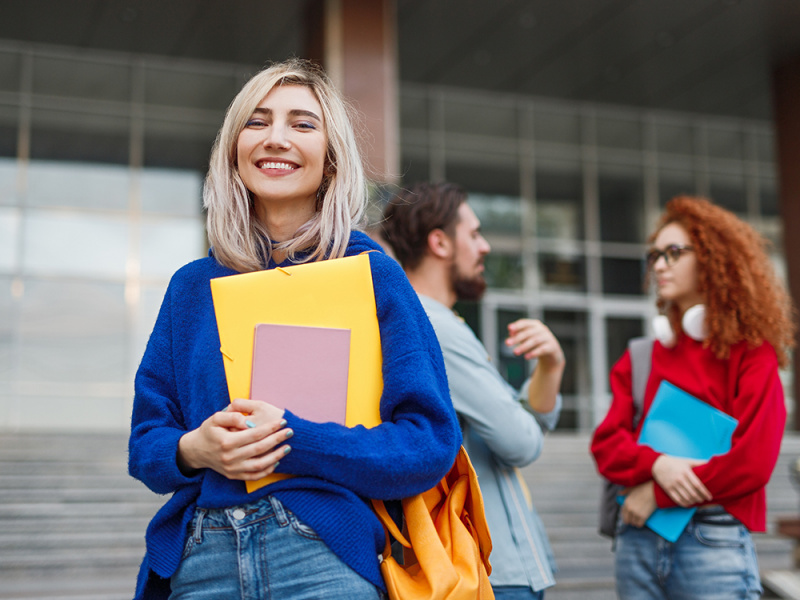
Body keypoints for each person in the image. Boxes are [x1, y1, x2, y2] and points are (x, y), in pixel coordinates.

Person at [128, 60, 461, 600]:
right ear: (235, 149)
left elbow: (427, 443)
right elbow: (147, 443)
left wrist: (294, 439)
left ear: (330, 161)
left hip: (322, 553)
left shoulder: (372, 274)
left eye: (302, 124)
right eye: (257, 122)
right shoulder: (191, 288)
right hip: (201, 561)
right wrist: (195, 448)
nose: (276, 138)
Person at [591, 195, 796, 599]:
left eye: (673, 253)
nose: (660, 265)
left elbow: (752, 463)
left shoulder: (752, 353)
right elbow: (606, 445)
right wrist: (659, 463)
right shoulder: (643, 356)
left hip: (711, 537)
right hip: (638, 537)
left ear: (714, 259)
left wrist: (657, 490)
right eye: (655, 256)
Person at [381, 182, 565, 600]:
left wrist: (552, 364)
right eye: (475, 234)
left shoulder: (423, 320)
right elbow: (519, 440)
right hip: (490, 569)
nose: (484, 248)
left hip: (484, 564)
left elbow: (517, 422)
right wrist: (530, 398)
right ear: (440, 242)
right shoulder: (436, 326)